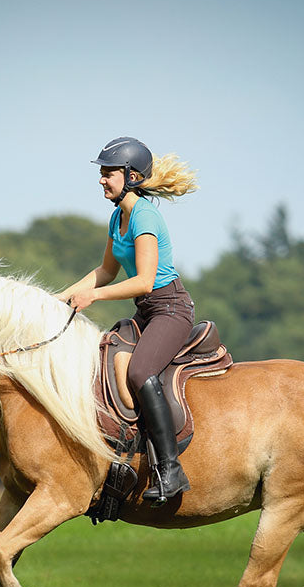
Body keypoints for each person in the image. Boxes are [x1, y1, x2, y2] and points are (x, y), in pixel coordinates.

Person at [57, 137, 199, 505]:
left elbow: (145, 281)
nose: (102, 180)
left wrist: (94, 297)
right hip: (146, 311)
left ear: (132, 176)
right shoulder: (117, 216)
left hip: (170, 309)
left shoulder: (145, 216)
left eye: (109, 174)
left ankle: (170, 470)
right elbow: (105, 271)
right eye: (101, 174)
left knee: (138, 372)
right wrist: (57, 299)